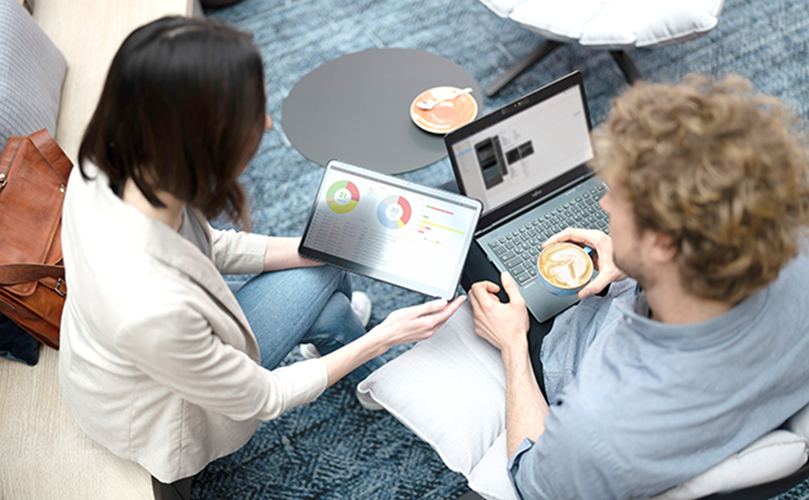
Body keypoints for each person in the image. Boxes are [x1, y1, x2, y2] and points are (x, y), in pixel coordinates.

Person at [58, 16, 464, 484]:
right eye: (254, 113)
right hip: (167, 411)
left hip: (141, 356)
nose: (267, 124)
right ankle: (361, 352)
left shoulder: (111, 163)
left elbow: (212, 246)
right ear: (200, 140)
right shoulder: (148, 308)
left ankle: (347, 345)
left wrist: (315, 246)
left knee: (331, 274)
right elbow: (264, 397)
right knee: (332, 275)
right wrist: (387, 335)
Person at [467, 74, 809, 499]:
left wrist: (513, 344)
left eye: (619, 196)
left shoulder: (595, 428)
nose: (603, 203)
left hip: (571, 367)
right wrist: (638, 267)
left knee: (469, 233)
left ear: (663, 241)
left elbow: (532, 485)